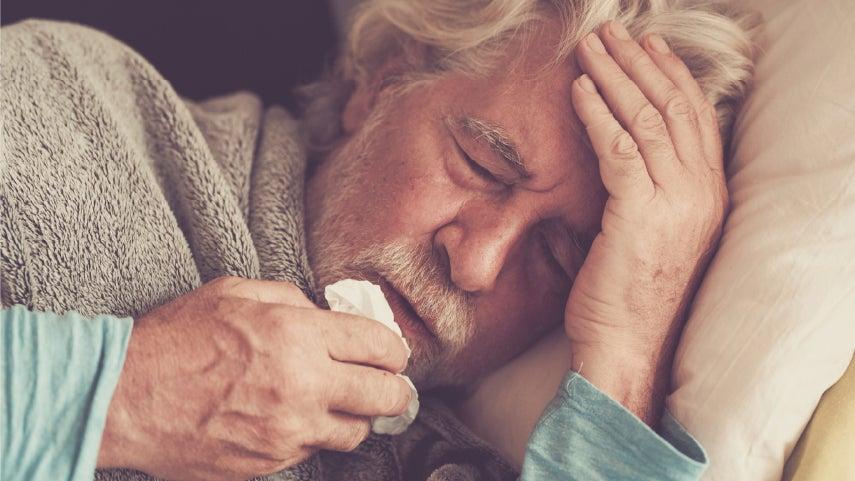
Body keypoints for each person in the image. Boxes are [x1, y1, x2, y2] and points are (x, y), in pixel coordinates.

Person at [0, 0, 757, 480]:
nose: (477, 262)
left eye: (555, 256)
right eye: (481, 163)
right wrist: (126, 393)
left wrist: (626, 364)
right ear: (381, 84)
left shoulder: (442, 459)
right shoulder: (61, 106)